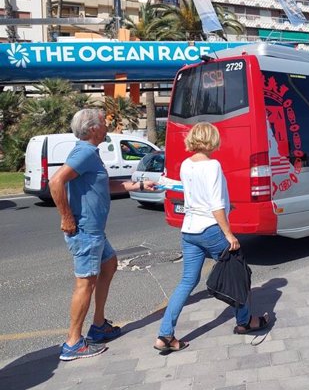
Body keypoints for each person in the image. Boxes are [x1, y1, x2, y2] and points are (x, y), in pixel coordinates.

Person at [49, 108, 156, 361]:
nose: (108, 126)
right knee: (85, 283)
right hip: (85, 231)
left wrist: (140, 185)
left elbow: (106, 186)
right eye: (104, 122)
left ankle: (98, 326)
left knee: (109, 265)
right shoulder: (84, 151)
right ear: (93, 128)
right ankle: (73, 342)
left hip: (95, 231)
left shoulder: (91, 154)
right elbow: (56, 182)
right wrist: (66, 217)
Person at [154, 122, 270, 353]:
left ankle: (165, 334)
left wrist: (227, 206)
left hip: (189, 230)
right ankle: (245, 321)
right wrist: (229, 234)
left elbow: (197, 196)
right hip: (210, 229)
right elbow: (215, 204)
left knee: (187, 282)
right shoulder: (213, 166)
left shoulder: (186, 165)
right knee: (239, 270)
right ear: (211, 140)